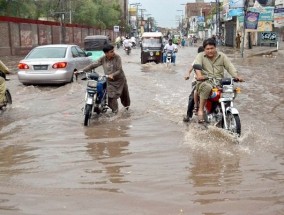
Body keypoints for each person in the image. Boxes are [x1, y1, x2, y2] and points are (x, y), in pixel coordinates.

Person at [194, 38, 243, 123]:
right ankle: (201, 110)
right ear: (204, 49)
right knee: (207, 87)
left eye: (212, 48)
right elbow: (197, 66)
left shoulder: (222, 56)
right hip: (205, 82)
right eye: (207, 49)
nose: (210, 51)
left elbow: (229, 66)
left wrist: (236, 76)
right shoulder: (200, 56)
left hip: (219, 83)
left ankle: (226, 108)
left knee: (233, 88)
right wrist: (199, 76)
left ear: (215, 47)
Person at [81, 44, 130, 113]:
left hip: (120, 80)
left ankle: (127, 109)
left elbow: (119, 70)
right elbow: (94, 64)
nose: (114, 53)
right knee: (111, 97)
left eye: (113, 51)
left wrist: (112, 75)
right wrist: (82, 70)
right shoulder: (103, 59)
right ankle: (115, 112)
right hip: (110, 81)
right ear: (106, 53)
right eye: (111, 52)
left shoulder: (117, 57)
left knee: (125, 96)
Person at [183, 46, 204, 122]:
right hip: (197, 81)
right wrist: (187, 74)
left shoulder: (212, 60)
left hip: (210, 81)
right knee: (192, 96)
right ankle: (188, 115)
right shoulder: (197, 60)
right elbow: (190, 69)